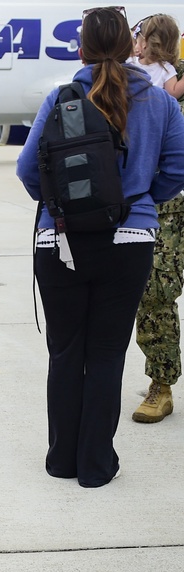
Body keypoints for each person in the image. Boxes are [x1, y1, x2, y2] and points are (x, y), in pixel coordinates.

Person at [16, 7, 184, 487]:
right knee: (108, 353)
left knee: (66, 351)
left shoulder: (60, 98)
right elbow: (177, 170)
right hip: (130, 239)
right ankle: (96, 466)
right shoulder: (161, 103)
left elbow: (28, 171)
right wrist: (141, 201)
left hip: (61, 238)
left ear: (82, 49)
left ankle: (60, 461)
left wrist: (58, 204)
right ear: (130, 47)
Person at [129, 15, 184, 422]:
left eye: (139, 35)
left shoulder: (172, 86)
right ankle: (162, 384)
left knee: (156, 293)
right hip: (164, 203)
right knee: (154, 294)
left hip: (172, 202)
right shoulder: (136, 82)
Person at [128, 14, 184, 97]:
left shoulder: (131, 62)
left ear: (144, 44)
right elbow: (173, 93)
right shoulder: (166, 69)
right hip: (154, 108)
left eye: (136, 41)